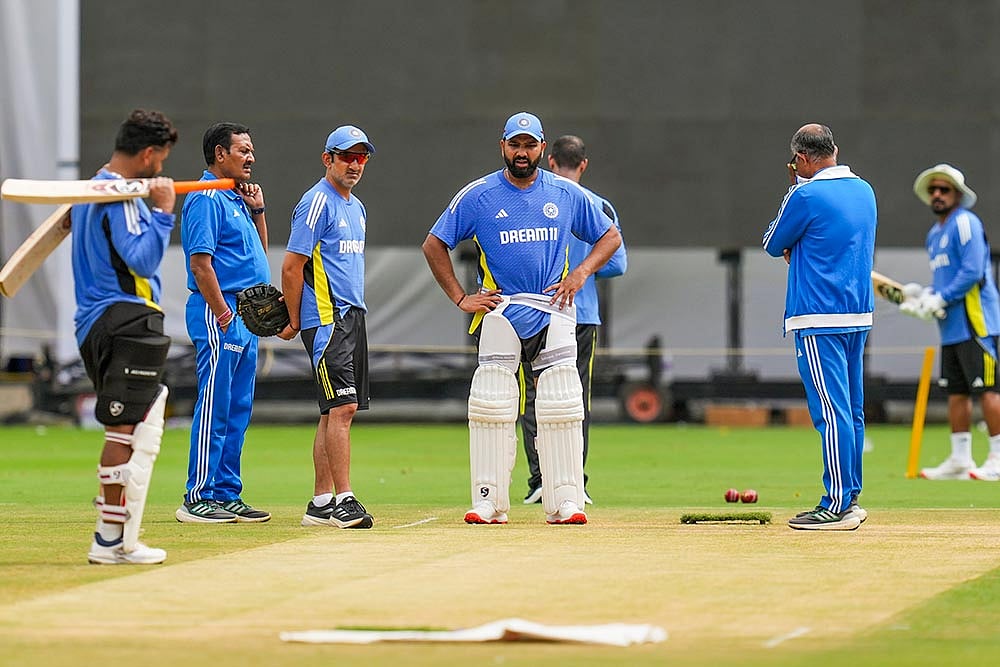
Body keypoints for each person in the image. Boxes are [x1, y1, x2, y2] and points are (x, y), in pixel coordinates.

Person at [422, 111, 622, 525]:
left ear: (542, 148)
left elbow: (610, 236)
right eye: (515, 145)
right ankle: (488, 501)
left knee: (561, 404)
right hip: (503, 310)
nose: (522, 152)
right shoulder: (478, 195)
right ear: (503, 147)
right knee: (492, 404)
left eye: (530, 145)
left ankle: (566, 499)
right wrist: (461, 298)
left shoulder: (566, 194)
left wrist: (582, 273)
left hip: (553, 311)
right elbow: (433, 244)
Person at [73, 109, 178, 564]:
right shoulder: (119, 196)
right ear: (149, 153)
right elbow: (141, 259)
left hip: (93, 323)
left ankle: (117, 536)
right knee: (129, 425)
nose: (161, 168)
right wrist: (163, 212)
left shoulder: (90, 191)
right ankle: (111, 540)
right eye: (161, 158)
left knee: (139, 415)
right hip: (127, 317)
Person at [762, 123, 876, 530]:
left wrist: (794, 188)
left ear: (802, 160)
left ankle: (837, 504)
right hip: (858, 313)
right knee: (852, 412)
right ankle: (852, 495)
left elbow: (773, 242)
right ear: (835, 150)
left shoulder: (804, 193)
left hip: (818, 314)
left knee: (830, 412)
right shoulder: (865, 190)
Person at [520, 135, 627, 505]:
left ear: (550, 161)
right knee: (575, 398)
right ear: (583, 164)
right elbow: (618, 262)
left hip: (535, 311)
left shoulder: (535, 198)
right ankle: (573, 481)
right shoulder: (598, 205)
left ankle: (539, 480)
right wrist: (584, 271)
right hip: (582, 314)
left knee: (532, 397)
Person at [278, 125, 376, 529]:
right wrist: (296, 317)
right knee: (344, 407)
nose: (354, 164)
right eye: (346, 156)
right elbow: (291, 265)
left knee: (330, 410)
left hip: (352, 315)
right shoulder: (316, 202)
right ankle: (344, 499)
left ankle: (320, 503)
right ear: (327, 159)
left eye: (361, 157)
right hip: (326, 318)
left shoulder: (356, 207)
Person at [176, 122, 271, 523]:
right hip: (221, 313)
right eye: (242, 150)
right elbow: (201, 265)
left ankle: (227, 493)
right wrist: (223, 313)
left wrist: (259, 211)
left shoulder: (236, 199)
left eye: (251, 150)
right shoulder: (206, 198)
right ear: (219, 154)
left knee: (238, 408)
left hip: (243, 315)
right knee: (215, 404)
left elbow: (260, 257)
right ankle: (197, 497)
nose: (250, 157)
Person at [906, 164, 1000, 482]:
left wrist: (941, 297)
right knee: (956, 392)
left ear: (957, 195)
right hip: (950, 328)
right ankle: (960, 459)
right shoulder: (935, 234)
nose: (937, 194)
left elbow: (973, 272)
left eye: (944, 190)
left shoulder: (965, 223)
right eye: (933, 190)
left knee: (987, 390)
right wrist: (925, 296)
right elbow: (947, 277)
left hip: (977, 322)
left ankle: (998, 457)